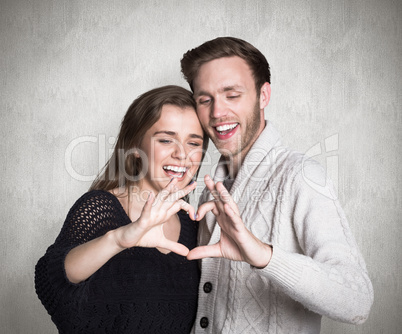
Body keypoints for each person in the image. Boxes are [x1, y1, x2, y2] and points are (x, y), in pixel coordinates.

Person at [180, 37, 374, 333]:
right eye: (205, 99)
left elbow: (358, 301)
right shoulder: (209, 191)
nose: (217, 112)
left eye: (232, 95)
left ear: (263, 95)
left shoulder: (301, 176)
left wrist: (263, 256)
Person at [35, 85, 209, 333]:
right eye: (166, 140)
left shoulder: (193, 226)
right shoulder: (101, 207)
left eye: (193, 143)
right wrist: (119, 239)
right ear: (137, 147)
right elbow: (51, 281)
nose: (182, 154)